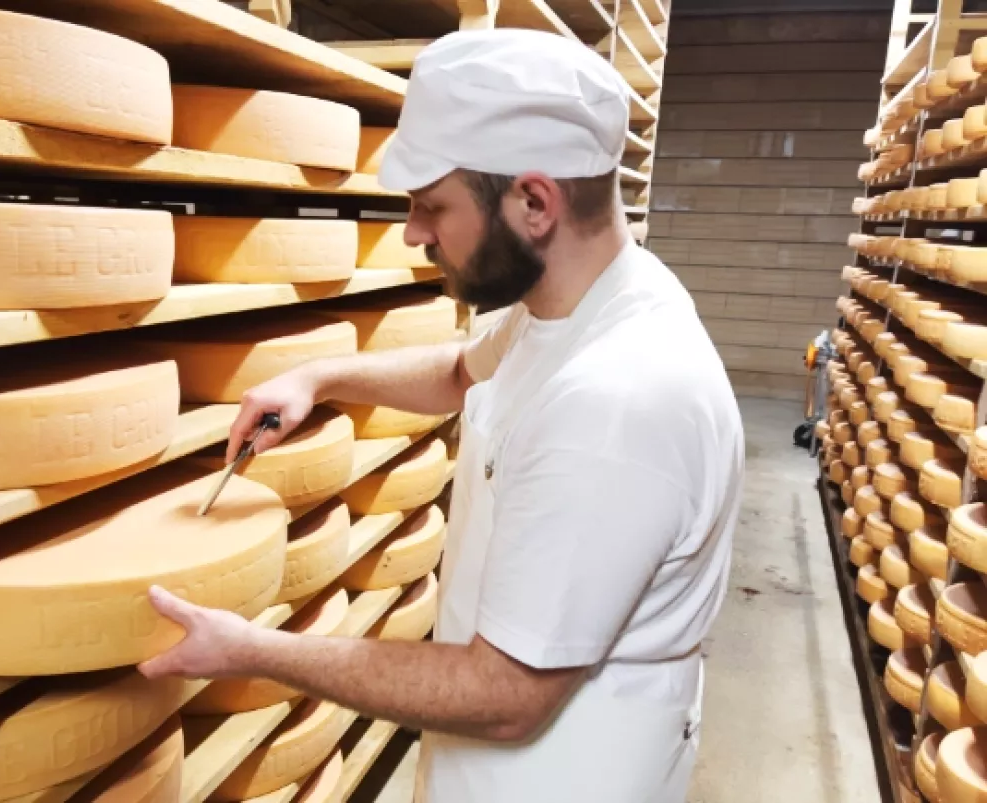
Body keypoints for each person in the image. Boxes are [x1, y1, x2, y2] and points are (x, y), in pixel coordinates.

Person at [139, 27, 744, 803]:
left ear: (534, 201)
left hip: (563, 770)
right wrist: (319, 377)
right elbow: (463, 370)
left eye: (432, 207)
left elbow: (503, 694)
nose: (413, 233)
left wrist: (255, 649)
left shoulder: (617, 401)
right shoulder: (580, 300)